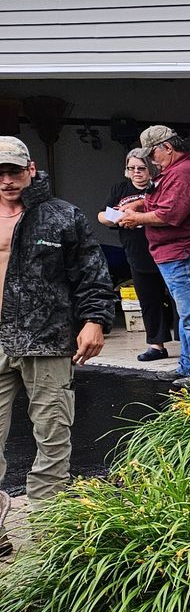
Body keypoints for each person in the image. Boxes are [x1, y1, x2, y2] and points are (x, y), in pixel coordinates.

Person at [0, 136, 116, 558]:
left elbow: (92, 274)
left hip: (47, 341)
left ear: (31, 169)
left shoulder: (62, 217)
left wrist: (94, 321)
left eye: (13, 170)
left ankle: (50, 535)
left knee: (52, 438)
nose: (7, 180)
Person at [117, 125, 190, 387]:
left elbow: (170, 214)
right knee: (188, 312)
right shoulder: (176, 171)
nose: (150, 160)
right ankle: (189, 366)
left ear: (167, 147)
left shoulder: (185, 173)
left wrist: (136, 217)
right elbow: (164, 201)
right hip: (184, 252)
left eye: (152, 154)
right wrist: (139, 202)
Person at [98, 148, 176, 362]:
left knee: (178, 298)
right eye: (131, 168)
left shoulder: (161, 186)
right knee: (148, 299)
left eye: (141, 168)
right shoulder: (120, 188)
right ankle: (156, 345)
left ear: (151, 169)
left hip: (166, 249)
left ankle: (186, 343)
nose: (136, 172)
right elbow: (103, 215)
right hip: (136, 251)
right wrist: (115, 216)